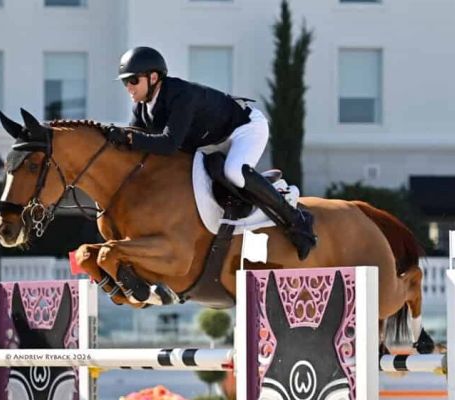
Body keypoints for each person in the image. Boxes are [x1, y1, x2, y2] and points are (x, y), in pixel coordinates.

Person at [105, 46, 316, 260]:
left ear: (153, 77)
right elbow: (138, 146)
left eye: (133, 81)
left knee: (233, 171)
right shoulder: (141, 108)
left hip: (245, 128)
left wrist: (130, 138)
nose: (128, 87)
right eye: (125, 82)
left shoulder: (180, 95)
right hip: (214, 140)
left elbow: (168, 144)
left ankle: (297, 219)